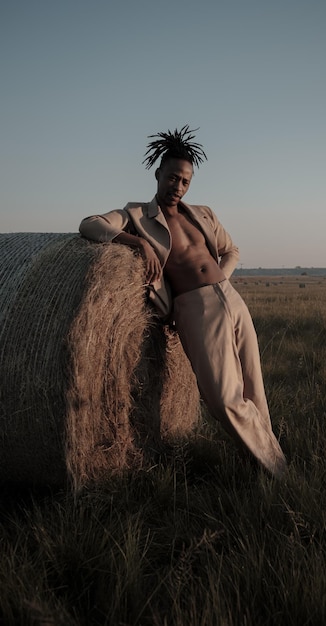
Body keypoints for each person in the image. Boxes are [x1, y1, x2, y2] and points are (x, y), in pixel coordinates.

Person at [79, 125, 287, 478]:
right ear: (158, 174)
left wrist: (224, 279)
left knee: (254, 388)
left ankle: (268, 468)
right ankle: (278, 471)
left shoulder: (203, 213)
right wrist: (137, 242)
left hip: (231, 299)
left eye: (185, 181)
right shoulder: (136, 216)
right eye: (172, 178)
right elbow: (89, 224)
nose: (178, 186)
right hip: (195, 307)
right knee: (222, 397)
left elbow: (230, 249)